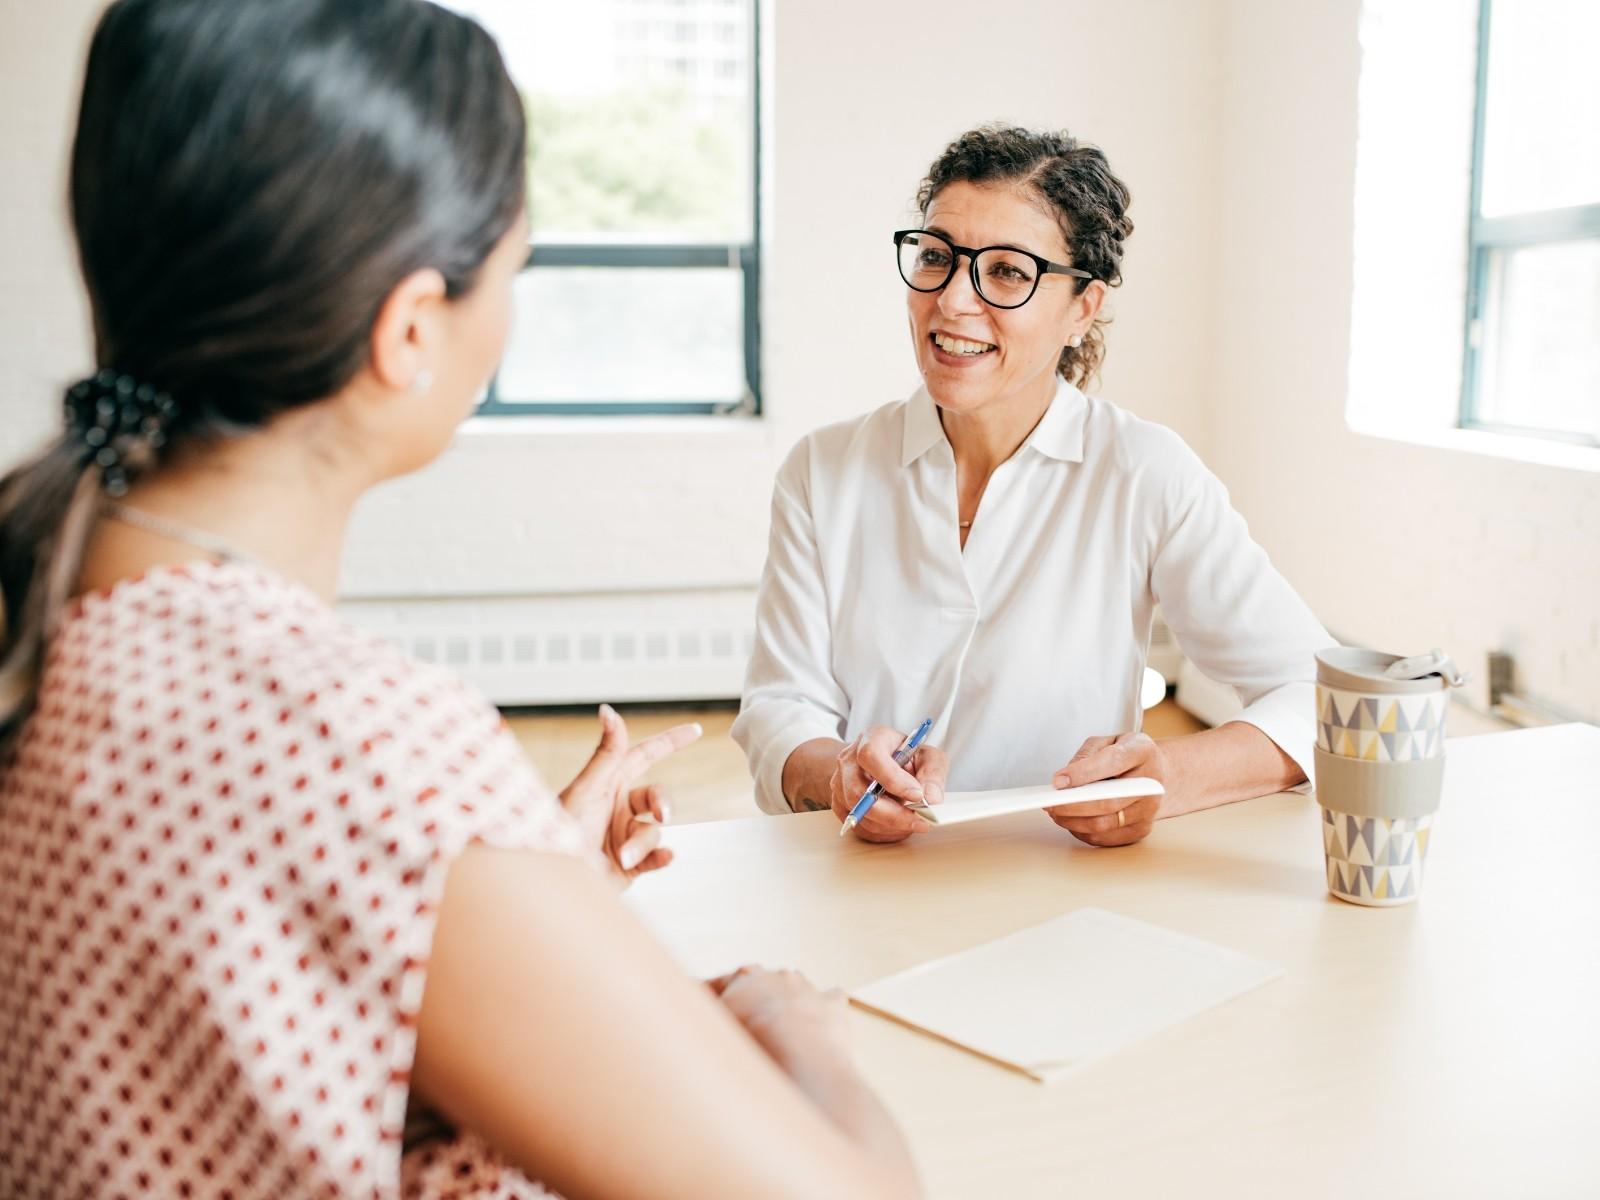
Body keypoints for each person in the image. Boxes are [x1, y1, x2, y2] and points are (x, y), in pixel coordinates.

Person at [0, 2, 918, 1196]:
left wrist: (512, 878)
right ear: (411, 328)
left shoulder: (57, 608)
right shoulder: (366, 754)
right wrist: (796, 1028)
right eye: (513, 269)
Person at [732, 125, 1335, 845]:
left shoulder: (1142, 471)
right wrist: (837, 771)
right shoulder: (822, 470)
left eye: (1008, 273)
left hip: (1061, 884)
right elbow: (779, 708)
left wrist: (1163, 778)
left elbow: (1320, 696)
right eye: (936, 258)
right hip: (862, 875)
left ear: (1082, 309)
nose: (953, 301)